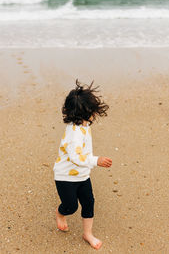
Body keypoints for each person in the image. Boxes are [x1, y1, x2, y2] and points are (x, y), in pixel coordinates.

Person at [53, 80, 112, 250]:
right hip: (65, 177)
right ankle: (60, 213)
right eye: (93, 110)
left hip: (82, 175)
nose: (95, 113)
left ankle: (87, 233)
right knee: (70, 206)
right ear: (85, 113)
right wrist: (96, 160)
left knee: (89, 202)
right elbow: (76, 158)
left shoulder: (84, 125)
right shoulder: (74, 133)